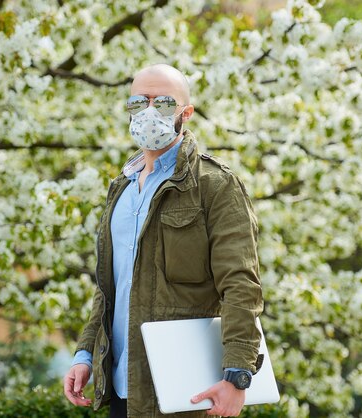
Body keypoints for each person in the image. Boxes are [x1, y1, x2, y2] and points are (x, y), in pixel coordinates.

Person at [63, 64, 263, 418]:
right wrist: (84, 354)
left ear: (186, 113)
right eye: (140, 102)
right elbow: (110, 286)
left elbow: (240, 284)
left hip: (185, 392)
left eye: (164, 102)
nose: (150, 111)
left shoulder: (215, 186)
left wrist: (238, 374)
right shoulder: (121, 189)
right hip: (123, 389)